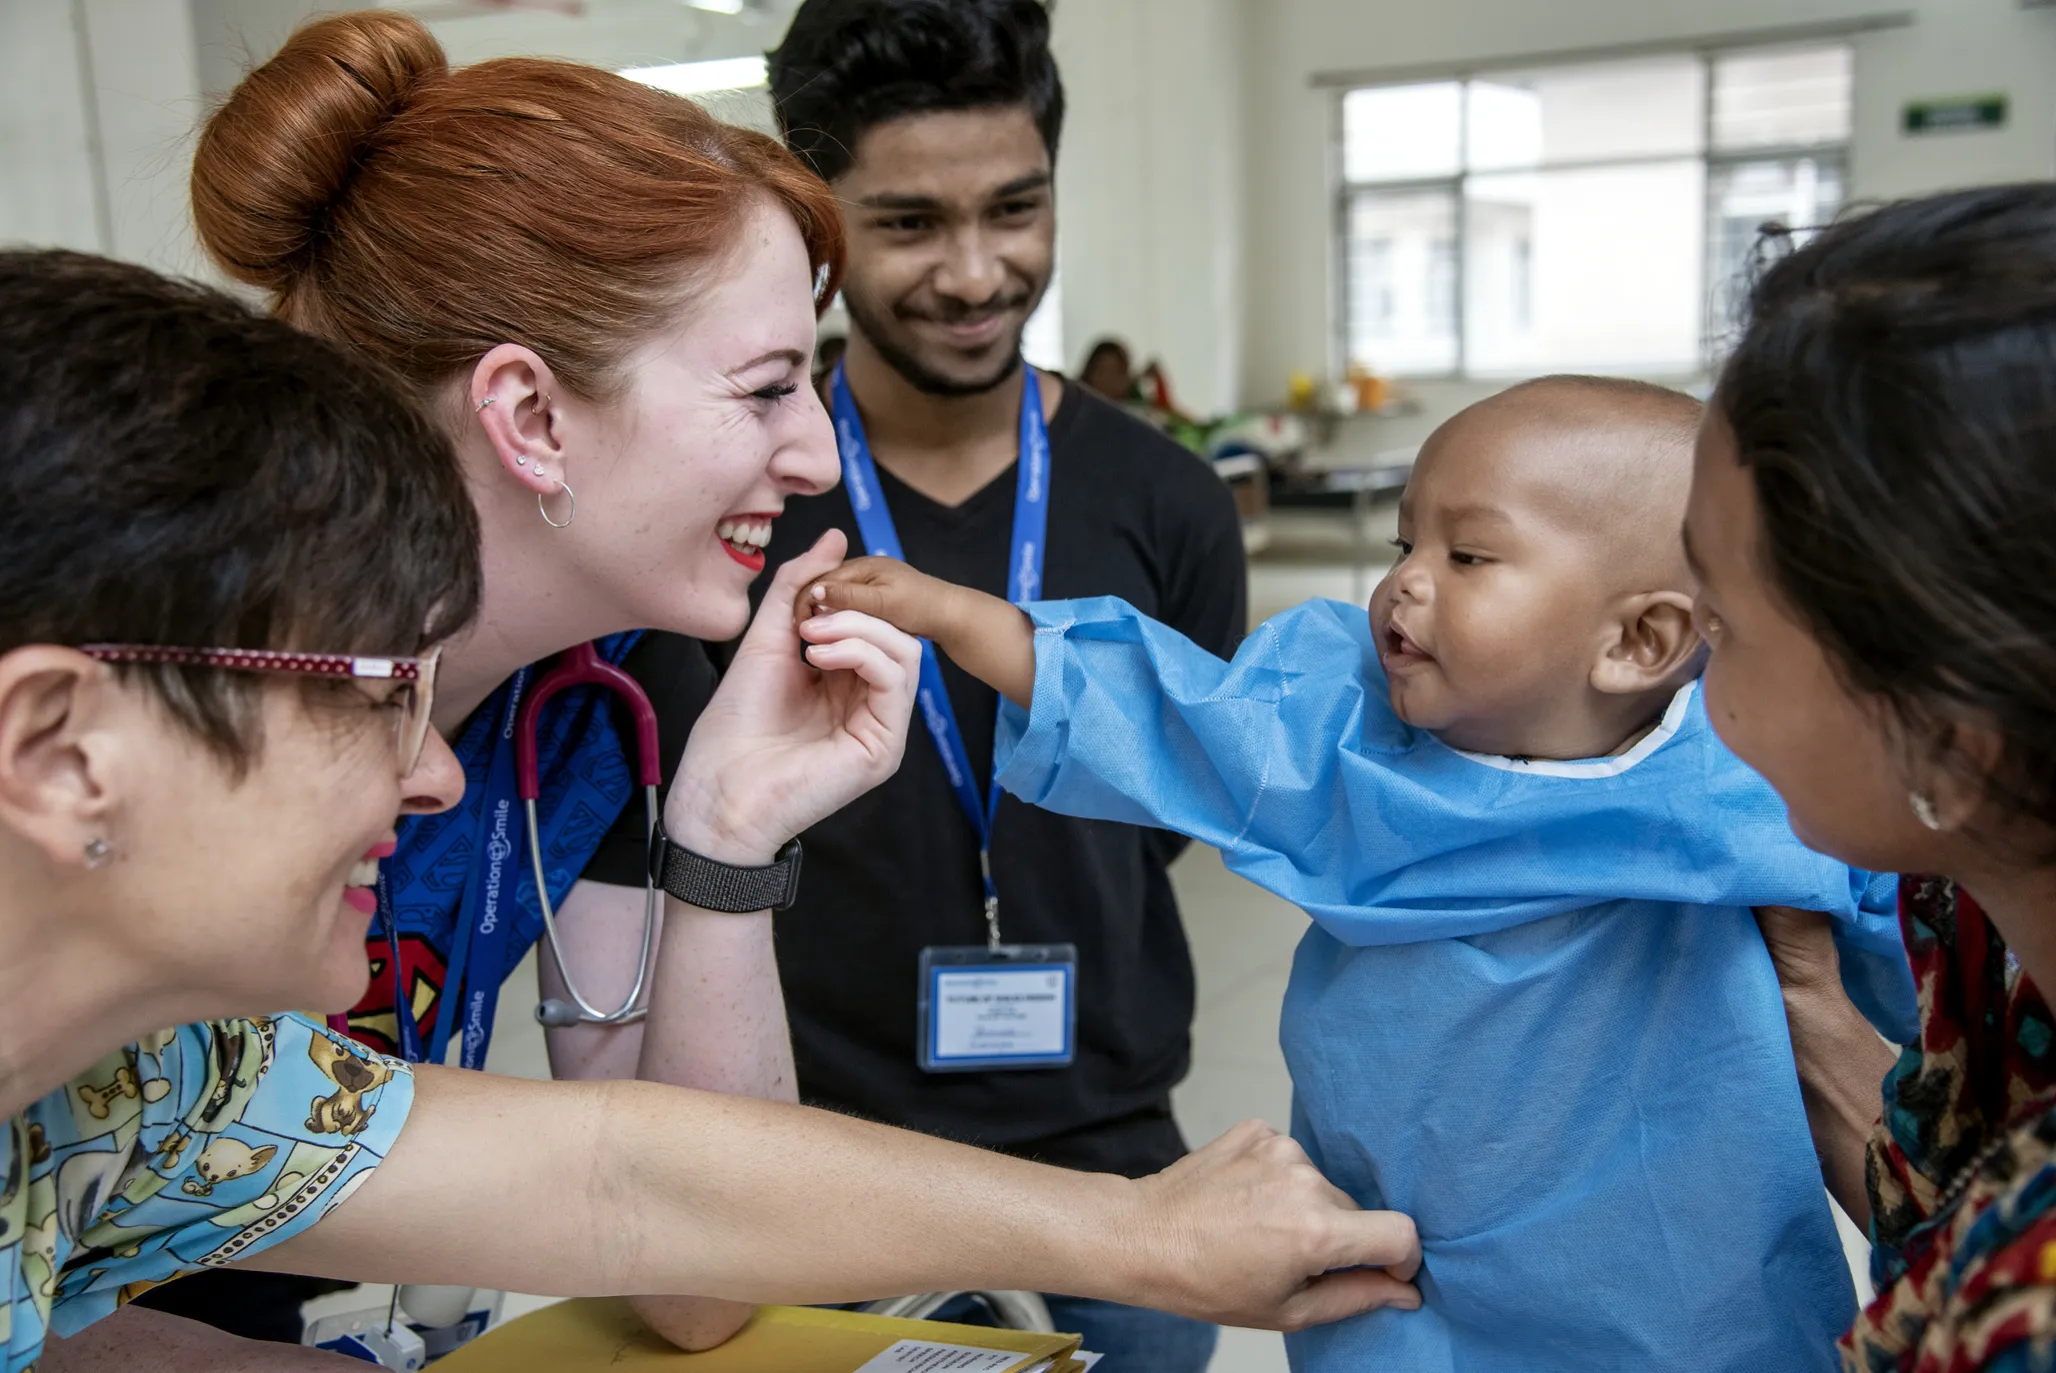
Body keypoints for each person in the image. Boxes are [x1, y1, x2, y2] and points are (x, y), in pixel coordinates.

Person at [0, 248, 1427, 1373]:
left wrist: (1143, 1233)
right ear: (59, 749)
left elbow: (621, 1174)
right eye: (371, 690)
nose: (434, 773)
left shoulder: (135, 1092)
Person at [798, 374, 1919, 1371]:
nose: (1407, 585)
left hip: (1688, 1310)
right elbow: (1168, 703)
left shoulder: (1755, 783)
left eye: (1466, 555)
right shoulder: (1344, 734)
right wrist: (956, 615)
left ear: (1639, 639)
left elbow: (1920, 982)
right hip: (1403, 1287)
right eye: (1403, 546)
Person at [151, 8, 921, 1350]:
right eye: (765, 390)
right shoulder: (153, 688)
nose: (819, 461)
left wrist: (728, 839)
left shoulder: (604, 697)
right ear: (532, 419)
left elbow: (699, 1280)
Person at [737, 2, 1248, 1366]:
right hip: (815, 1154)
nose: (976, 273)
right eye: (909, 225)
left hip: (1109, 1152)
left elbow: (1185, 805)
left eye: (1015, 210)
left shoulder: (1168, 503)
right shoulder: (748, 505)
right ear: (819, 226)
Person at [1677, 185, 2056, 1370]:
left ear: (1950, 725)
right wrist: (1800, 992)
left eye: (1722, 623)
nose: (1688, 675)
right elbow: (1941, 1199)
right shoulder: (1978, 915)